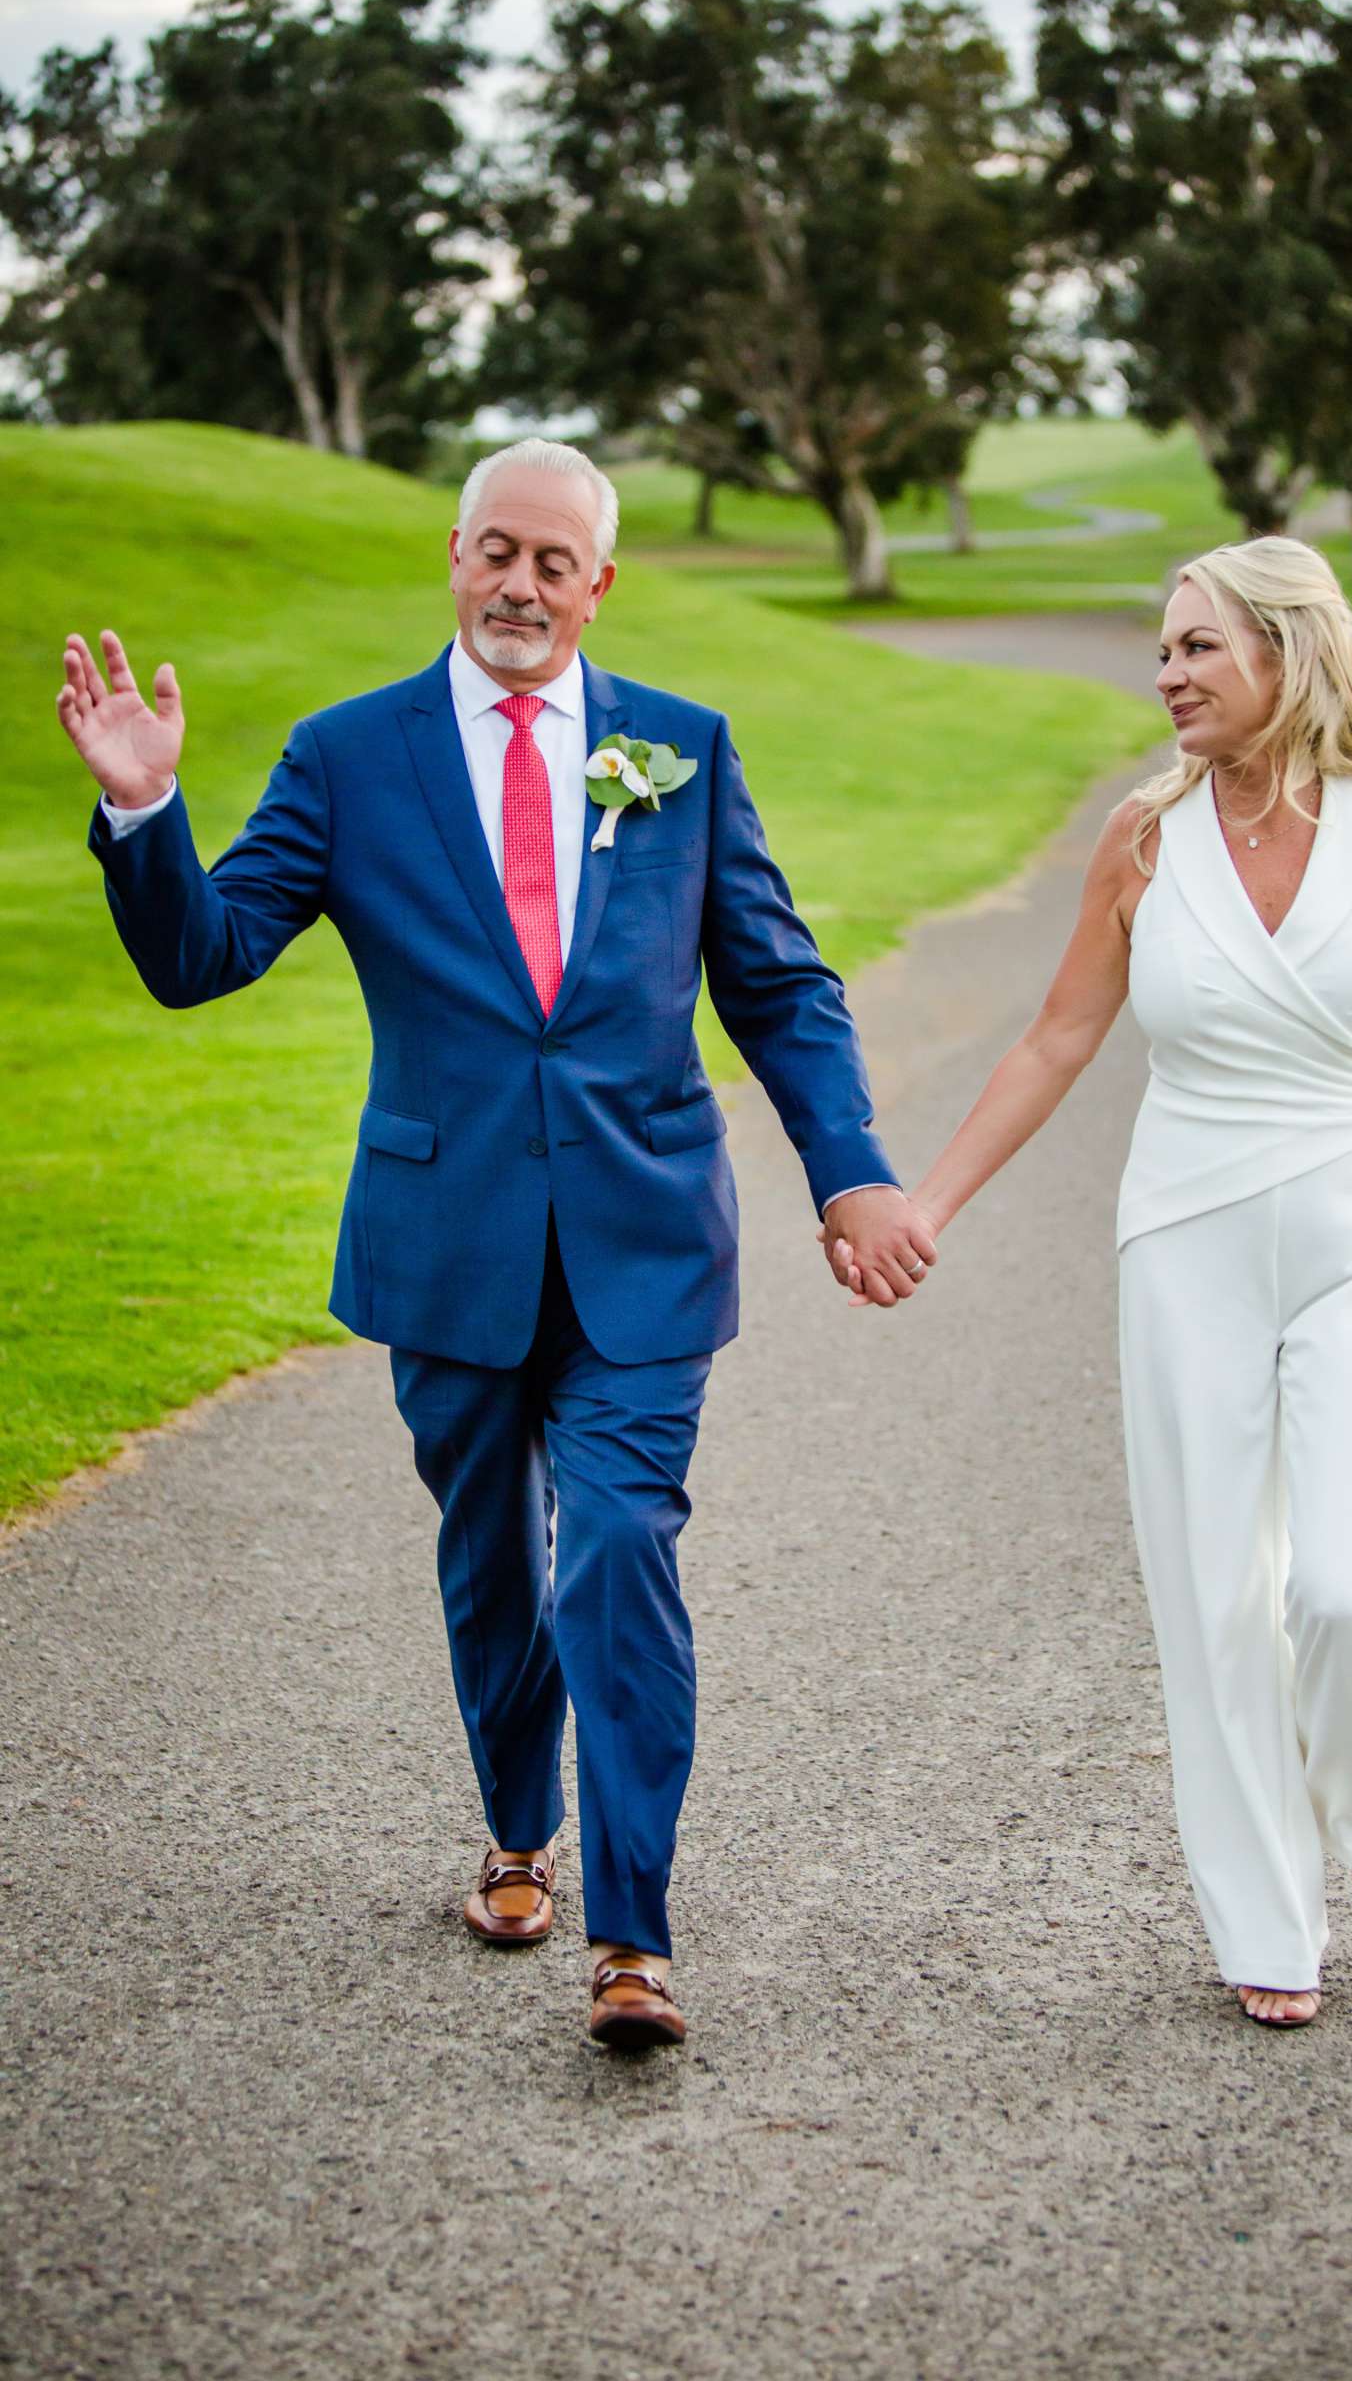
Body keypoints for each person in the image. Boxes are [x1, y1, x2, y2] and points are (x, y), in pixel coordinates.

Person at [56, 438, 935, 2050]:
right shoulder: (348, 757)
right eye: (495, 553)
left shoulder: (681, 751)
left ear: (600, 582)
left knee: (615, 1552)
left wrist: (850, 1171)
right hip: (445, 1237)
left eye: (555, 561)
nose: (522, 585)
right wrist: (145, 808)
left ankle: (635, 1939)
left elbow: (781, 987)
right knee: (490, 1567)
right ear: (453, 558)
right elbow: (204, 956)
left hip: (645, 1234)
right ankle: (516, 1831)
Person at [845, 537, 1352, 2026]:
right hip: (1188, 1241)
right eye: (1163, 650)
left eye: (1199, 648)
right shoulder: (1144, 839)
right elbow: (1053, 1039)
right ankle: (1266, 1924)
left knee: (1345, 1586)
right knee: (1216, 1594)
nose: (1168, 675)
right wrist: (932, 1203)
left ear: (1284, 656)